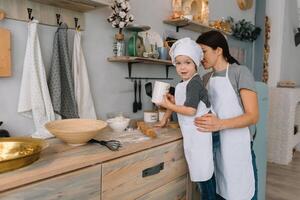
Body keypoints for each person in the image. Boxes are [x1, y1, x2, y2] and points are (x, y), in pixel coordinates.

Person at [195, 30, 259, 200]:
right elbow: (198, 109)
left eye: (204, 51)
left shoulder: (239, 72)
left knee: (241, 193)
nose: (201, 57)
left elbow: (253, 116)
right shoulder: (205, 78)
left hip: (238, 148)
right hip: (216, 149)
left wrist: (220, 124)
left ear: (218, 50)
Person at [155, 37, 215, 187]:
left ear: (195, 64)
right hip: (191, 134)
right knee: (199, 173)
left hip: (199, 136)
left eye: (187, 63)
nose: (182, 67)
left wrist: (167, 103)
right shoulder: (184, 83)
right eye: (178, 63)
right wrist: (165, 118)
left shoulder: (194, 83)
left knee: (203, 175)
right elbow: (178, 103)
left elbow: (189, 110)